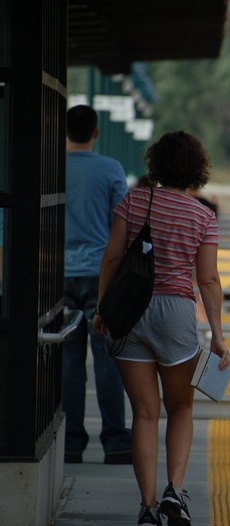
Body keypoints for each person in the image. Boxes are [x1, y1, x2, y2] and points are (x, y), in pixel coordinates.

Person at [93, 130, 230, 526]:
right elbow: (207, 280)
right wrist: (218, 335)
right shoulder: (203, 215)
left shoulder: (135, 200)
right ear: (196, 169)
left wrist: (104, 309)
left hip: (132, 311)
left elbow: (113, 259)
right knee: (181, 408)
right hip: (175, 315)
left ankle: (148, 506)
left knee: (145, 414)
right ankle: (175, 490)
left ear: (156, 163)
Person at [63, 104, 132, 465]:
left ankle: (71, 443)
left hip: (57, 276)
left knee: (68, 360)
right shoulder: (110, 169)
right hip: (101, 275)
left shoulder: (50, 167)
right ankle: (116, 443)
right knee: (107, 359)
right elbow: (123, 224)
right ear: (96, 132)